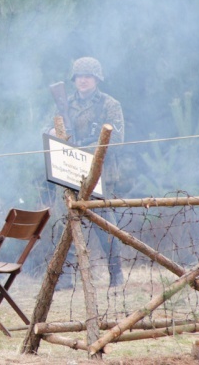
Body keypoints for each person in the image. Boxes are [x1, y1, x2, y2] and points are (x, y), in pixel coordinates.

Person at [49, 56, 125, 288]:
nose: (83, 80)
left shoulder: (109, 104)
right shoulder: (64, 103)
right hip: (70, 173)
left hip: (100, 175)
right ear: (74, 79)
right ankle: (65, 279)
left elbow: (117, 139)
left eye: (88, 76)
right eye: (80, 76)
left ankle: (116, 274)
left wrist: (83, 148)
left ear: (97, 79)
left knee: (105, 226)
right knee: (68, 225)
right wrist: (54, 131)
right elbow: (47, 128)